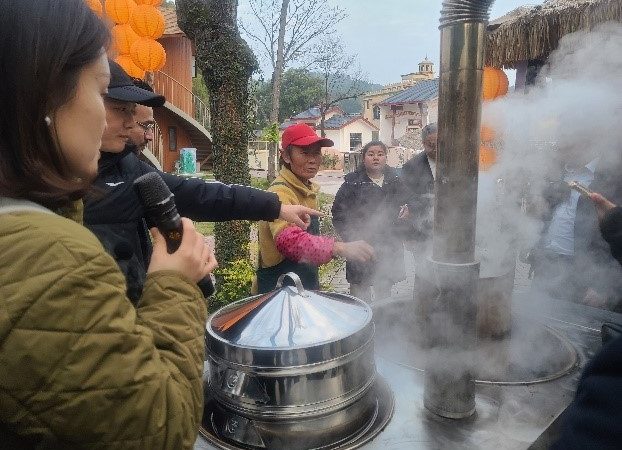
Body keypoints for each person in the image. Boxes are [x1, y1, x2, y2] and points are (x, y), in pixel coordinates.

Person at [0, 1, 215, 448]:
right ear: (41, 95)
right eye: (101, 94)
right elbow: (160, 429)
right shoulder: (47, 258)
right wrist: (174, 284)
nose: (109, 121)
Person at [83, 61, 321, 303]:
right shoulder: (55, 186)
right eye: (121, 109)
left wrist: (275, 207)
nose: (131, 123)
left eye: (132, 112)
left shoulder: (126, 167)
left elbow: (199, 194)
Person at [256, 123, 375, 293]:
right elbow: (289, 241)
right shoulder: (280, 191)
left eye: (316, 153)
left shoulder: (306, 189)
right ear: (286, 156)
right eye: (304, 152)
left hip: (304, 288)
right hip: (278, 292)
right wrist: (340, 247)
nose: (312, 160)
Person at [552, 192, 622, 450]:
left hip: (592, 280)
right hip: (556, 269)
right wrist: (616, 224)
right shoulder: (563, 180)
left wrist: (606, 287)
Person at [332, 141, 411, 301]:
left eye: (380, 154)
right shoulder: (352, 183)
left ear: (386, 157)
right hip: (360, 243)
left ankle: (383, 321)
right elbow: (338, 213)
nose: (376, 158)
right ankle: (363, 322)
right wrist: (350, 238)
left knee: (385, 287)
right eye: (371, 154)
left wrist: (409, 209)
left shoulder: (396, 180)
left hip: (389, 243)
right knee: (360, 290)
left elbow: (410, 200)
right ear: (363, 158)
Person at [401, 123, 437, 242]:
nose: (436, 148)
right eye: (431, 145)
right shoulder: (411, 167)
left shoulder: (456, 162)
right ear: (423, 143)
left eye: (440, 143)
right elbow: (406, 195)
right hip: (422, 230)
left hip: (451, 227)